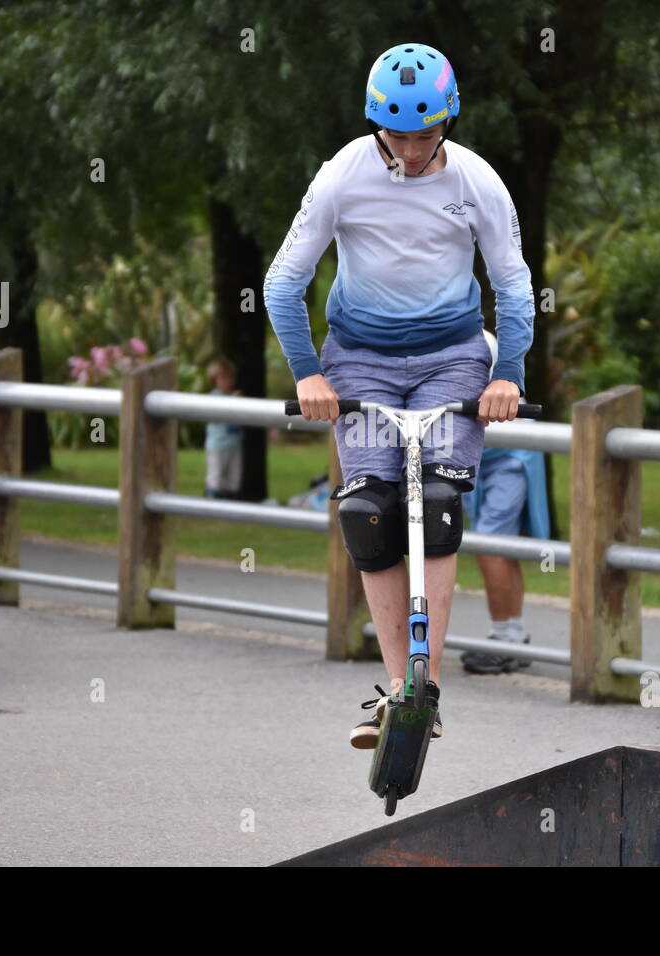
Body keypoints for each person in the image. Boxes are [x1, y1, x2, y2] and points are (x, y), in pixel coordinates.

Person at [264, 43, 535, 749]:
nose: (411, 151)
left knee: (438, 502)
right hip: (360, 360)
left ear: (447, 121)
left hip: (451, 359)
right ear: (374, 123)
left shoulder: (477, 180)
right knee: (369, 512)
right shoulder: (342, 177)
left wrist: (509, 375)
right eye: (397, 135)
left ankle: (428, 692)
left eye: (425, 134)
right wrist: (308, 373)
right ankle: (397, 694)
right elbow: (283, 283)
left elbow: (512, 284)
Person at [460, 331, 549, 674]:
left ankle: (504, 637)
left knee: (490, 542)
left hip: (507, 451)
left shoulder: (478, 339)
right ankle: (513, 634)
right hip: (477, 453)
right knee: (495, 543)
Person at [204, 357, 243, 499]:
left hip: (234, 443)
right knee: (215, 473)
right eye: (223, 378)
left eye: (230, 378)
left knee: (234, 474)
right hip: (218, 445)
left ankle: (230, 500)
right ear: (214, 380)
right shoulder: (214, 397)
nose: (227, 381)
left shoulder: (234, 396)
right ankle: (211, 499)